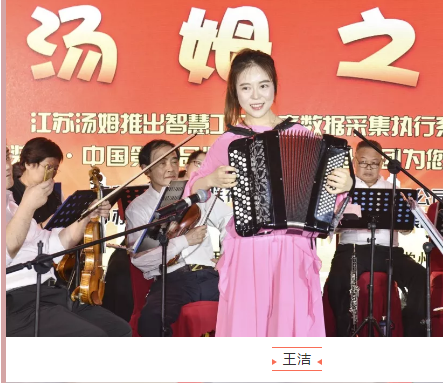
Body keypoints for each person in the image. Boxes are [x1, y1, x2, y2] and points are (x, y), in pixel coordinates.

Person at [185, 49, 353, 337]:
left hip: (293, 247)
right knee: (248, 329)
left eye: (263, 85)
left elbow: (328, 198)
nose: (256, 96)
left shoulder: (301, 134)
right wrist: (211, 178)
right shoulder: (228, 140)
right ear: (235, 92)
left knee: (291, 332)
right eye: (245, 88)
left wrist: (344, 185)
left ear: (275, 86)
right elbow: (192, 189)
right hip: (248, 248)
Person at [5, 147, 131, 337]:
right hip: (17, 303)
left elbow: (51, 245)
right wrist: (28, 205)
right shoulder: (22, 205)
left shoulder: (10, 204)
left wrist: (87, 216)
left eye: (6, 156)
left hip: (49, 294)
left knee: (119, 330)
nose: (7, 165)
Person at [126, 139, 229, 336]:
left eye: (174, 161)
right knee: (151, 319)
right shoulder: (138, 208)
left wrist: (227, 256)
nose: (170, 168)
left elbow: (229, 220)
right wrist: (185, 241)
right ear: (146, 169)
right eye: (162, 162)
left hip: (210, 275)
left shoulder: (195, 192)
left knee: (253, 303)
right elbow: (141, 260)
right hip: (171, 280)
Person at [326, 139, 427, 337]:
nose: (369, 168)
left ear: (382, 163)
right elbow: (330, 228)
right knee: (337, 282)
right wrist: (340, 218)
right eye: (363, 162)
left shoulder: (394, 191)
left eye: (374, 163)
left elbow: (407, 230)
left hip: (389, 252)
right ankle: (343, 334)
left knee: (420, 276)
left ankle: (412, 332)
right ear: (354, 162)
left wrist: (404, 222)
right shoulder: (342, 189)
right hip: (352, 250)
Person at [9, 137, 63, 226]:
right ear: (28, 164)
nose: (52, 173)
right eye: (48, 167)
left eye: (55, 169)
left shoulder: (54, 196)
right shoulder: (9, 194)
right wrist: (43, 226)